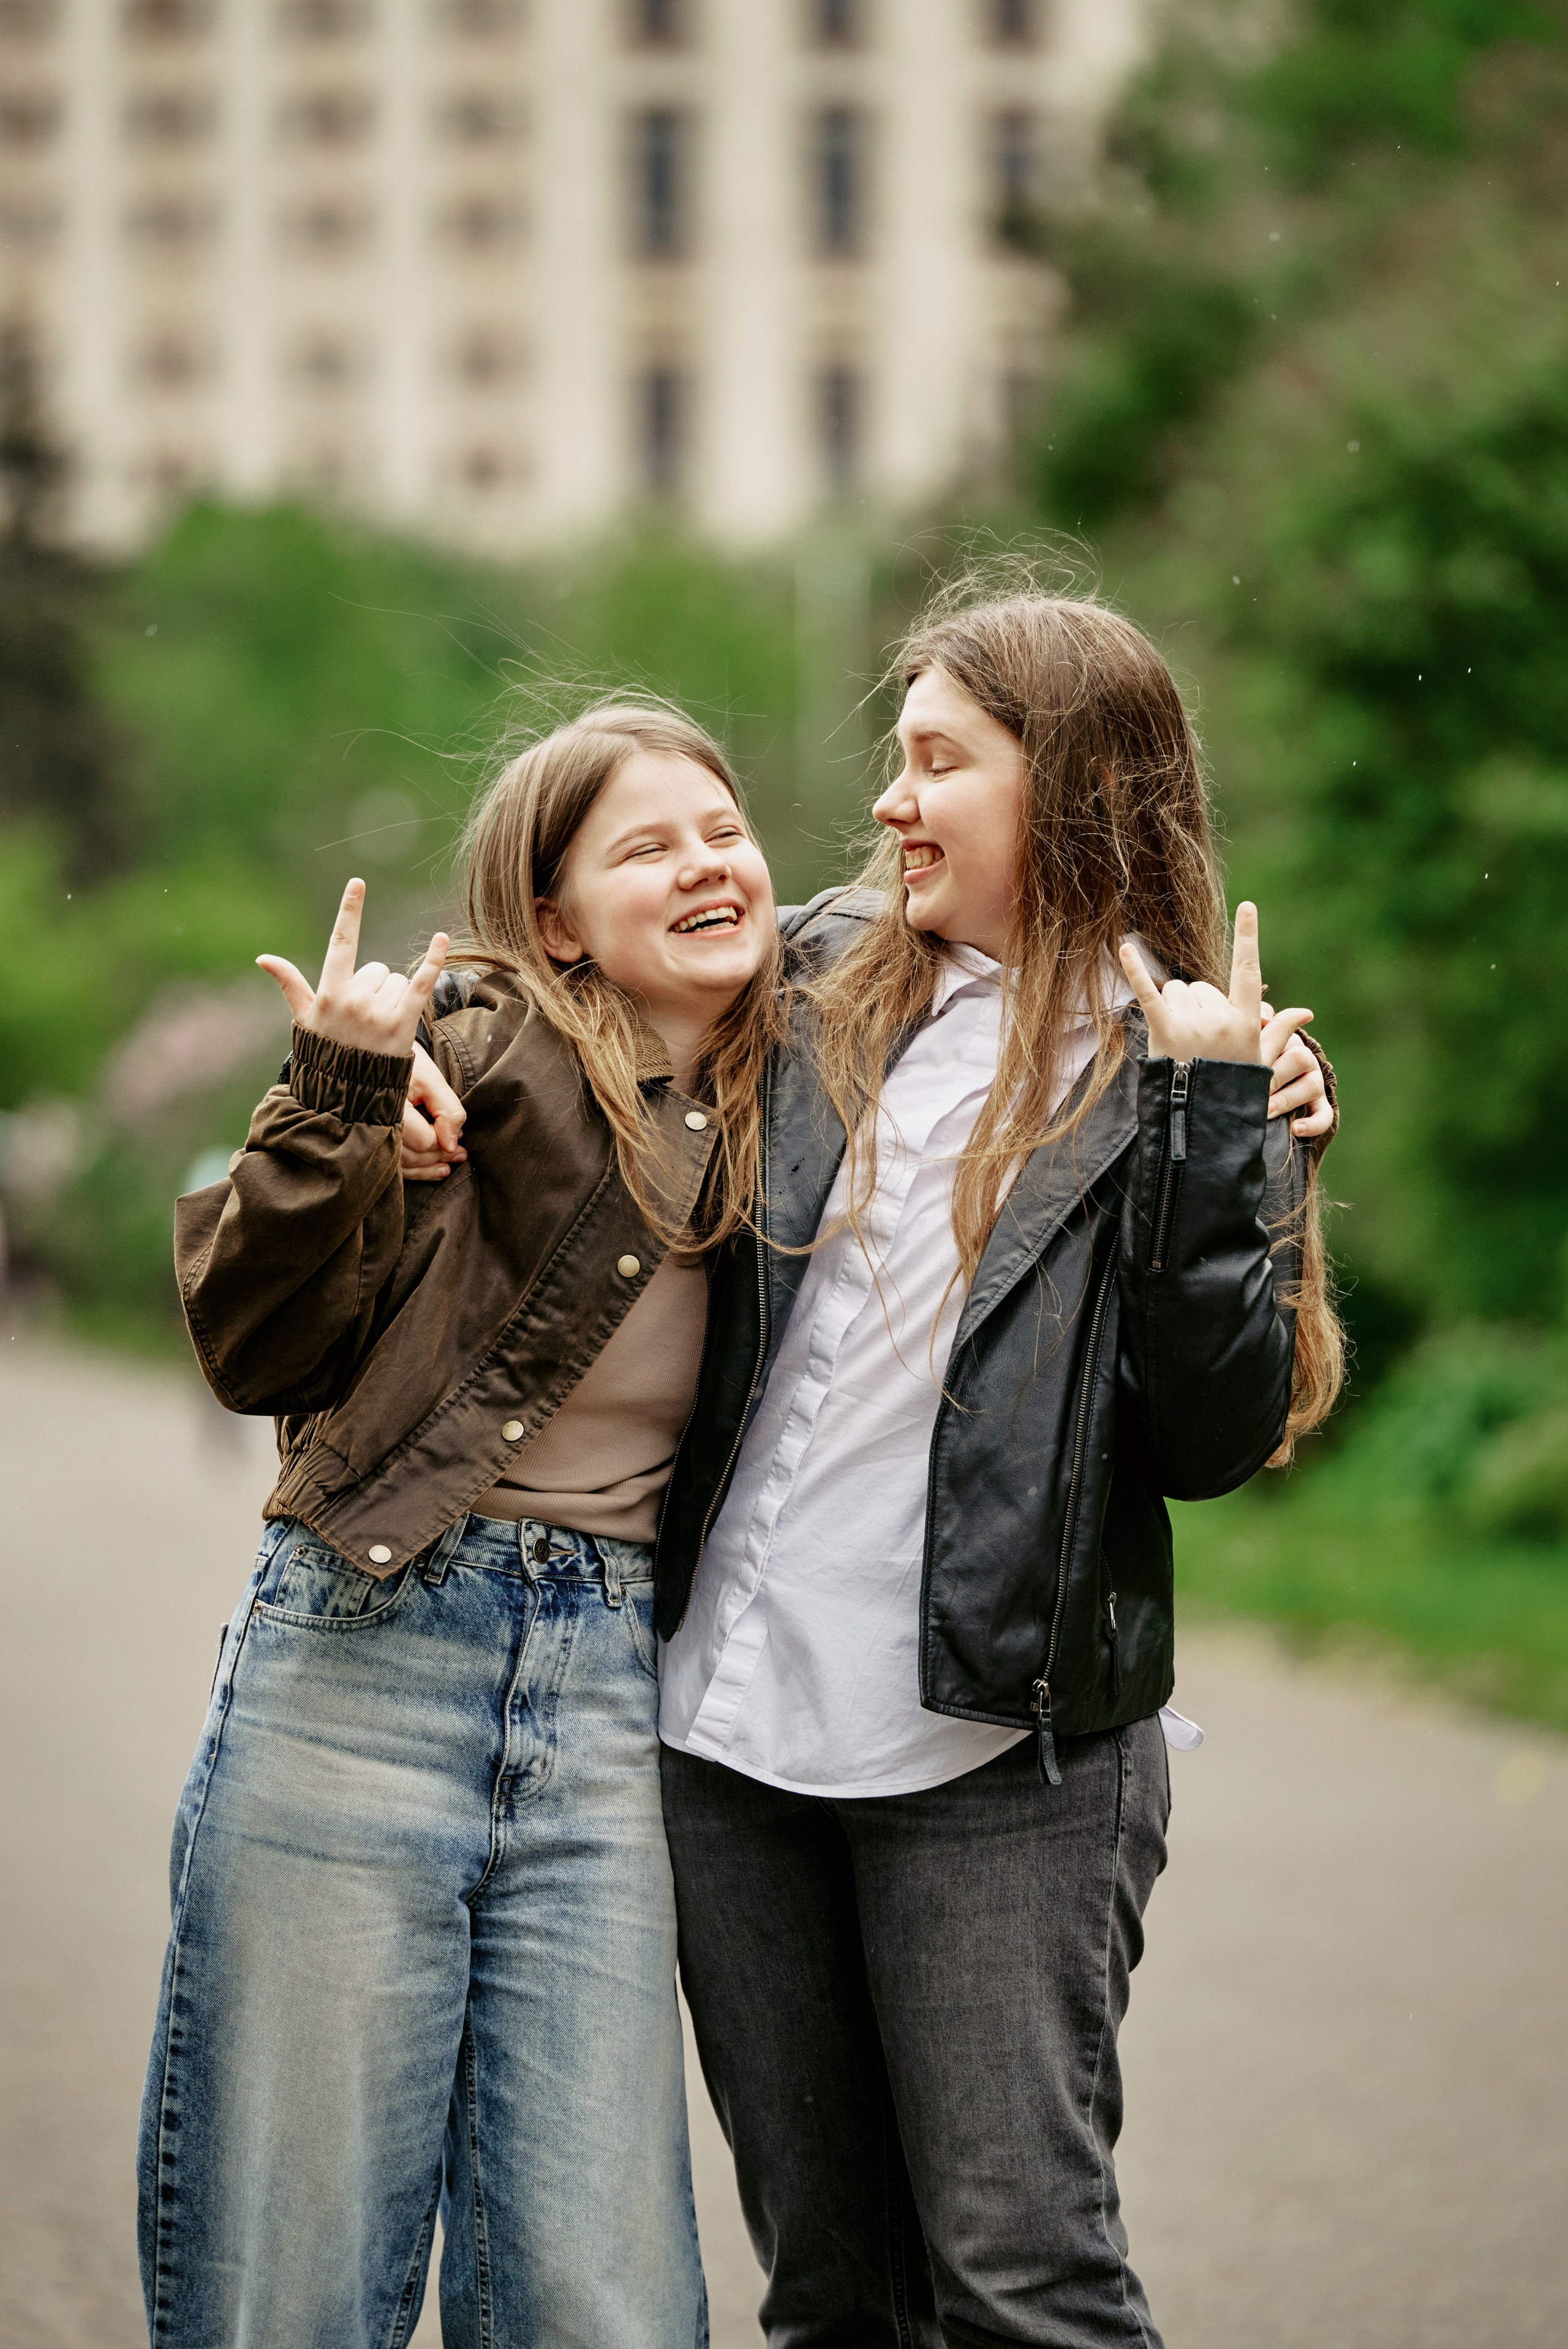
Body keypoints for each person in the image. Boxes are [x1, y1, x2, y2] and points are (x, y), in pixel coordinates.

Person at [650, 587, 1344, 2348]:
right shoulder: (810, 980)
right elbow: (598, 1018)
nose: (891, 801)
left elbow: (1206, 1440)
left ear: (1082, 786)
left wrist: (1213, 1132)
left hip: (997, 1751)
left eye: (941, 760)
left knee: (1024, 2280)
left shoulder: (1185, 1057)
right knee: (830, 2292)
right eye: (896, 757)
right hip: (730, 1735)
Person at [137, 703, 782, 2349]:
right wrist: (343, 1096)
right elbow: (248, 1347)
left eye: (725, 826)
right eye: (648, 845)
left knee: (601, 2290)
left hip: (615, 1701)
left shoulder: (813, 1079)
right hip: (366, 1662)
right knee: (291, 2276)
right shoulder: (481, 1048)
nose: (708, 861)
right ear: (556, 919)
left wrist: (1282, 1078)